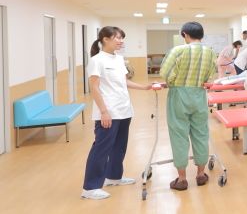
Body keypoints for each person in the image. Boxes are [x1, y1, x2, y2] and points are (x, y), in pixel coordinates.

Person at [81, 26, 153, 200]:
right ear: (105, 39)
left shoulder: (119, 59)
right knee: (101, 148)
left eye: (122, 38)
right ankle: (90, 187)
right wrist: (104, 112)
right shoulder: (97, 60)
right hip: (108, 112)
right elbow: (94, 88)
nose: (121, 41)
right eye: (117, 38)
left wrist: (144, 87)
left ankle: (113, 177)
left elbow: (124, 82)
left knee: (119, 146)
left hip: (124, 109)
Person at [159, 22, 217, 191]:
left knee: (178, 134)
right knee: (201, 133)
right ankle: (201, 174)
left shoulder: (178, 50)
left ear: (184, 34)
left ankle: (182, 179)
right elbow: (210, 74)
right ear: (202, 35)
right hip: (199, 95)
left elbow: (165, 72)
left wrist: (172, 82)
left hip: (179, 95)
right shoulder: (210, 52)